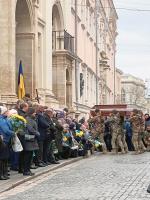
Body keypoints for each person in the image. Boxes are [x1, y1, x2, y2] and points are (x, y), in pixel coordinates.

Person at [23, 107, 40, 176]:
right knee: (27, 156)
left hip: (32, 139)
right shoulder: (28, 119)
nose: (35, 114)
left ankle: (28, 170)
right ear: (31, 113)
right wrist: (37, 133)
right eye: (34, 112)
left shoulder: (31, 119)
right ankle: (26, 170)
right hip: (29, 139)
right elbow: (30, 129)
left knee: (30, 156)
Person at [0, 106, 14, 180]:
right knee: (2, 158)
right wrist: (14, 133)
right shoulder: (1, 119)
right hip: (3, 141)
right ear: (4, 112)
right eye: (7, 111)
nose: (8, 112)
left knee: (5, 158)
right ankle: (1, 174)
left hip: (6, 140)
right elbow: (5, 130)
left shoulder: (5, 119)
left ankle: (4, 172)